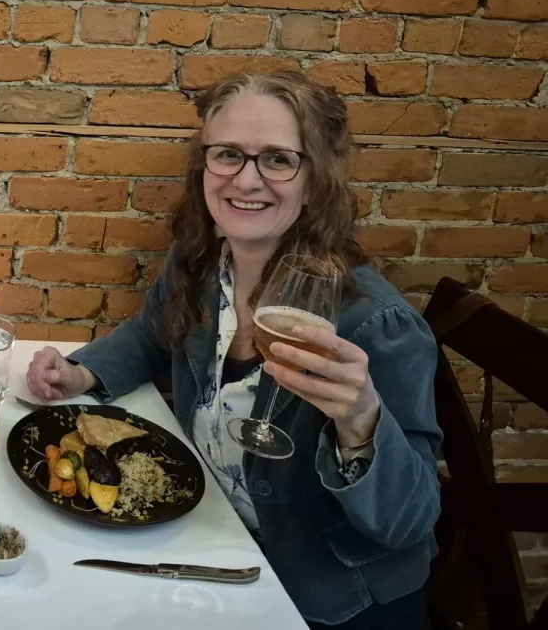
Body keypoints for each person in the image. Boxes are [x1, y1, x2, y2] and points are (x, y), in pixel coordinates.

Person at [26, 71, 440, 629]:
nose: (246, 181)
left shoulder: (375, 325)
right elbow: (155, 332)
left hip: (325, 600)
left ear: (317, 176)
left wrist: (361, 420)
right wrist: (80, 373)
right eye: (227, 155)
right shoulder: (201, 261)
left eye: (277, 159)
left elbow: (408, 522)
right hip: (210, 538)